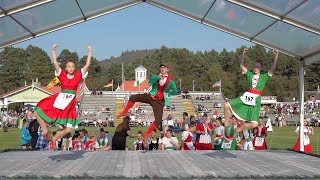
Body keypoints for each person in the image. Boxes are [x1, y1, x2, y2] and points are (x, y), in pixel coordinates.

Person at [33, 44, 91, 150]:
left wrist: (89, 52)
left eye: (72, 66)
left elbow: (87, 64)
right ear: (66, 67)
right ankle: (45, 130)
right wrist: (53, 50)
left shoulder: (78, 75)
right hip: (60, 100)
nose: (71, 68)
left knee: (69, 129)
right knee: (37, 111)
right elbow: (55, 62)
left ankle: (55, 138)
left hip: (70, 104)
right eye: (69, 66)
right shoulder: (62, 74)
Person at [117, 64, 179, 142]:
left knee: (158, 120)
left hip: (159, 101)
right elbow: (150, 83)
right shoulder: (156, 77)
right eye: (161, 67)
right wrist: (157, 77)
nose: (162, 69)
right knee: (133, 97)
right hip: (151, 96)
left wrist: (167, 93)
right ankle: (124, 111)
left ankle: (147, 133)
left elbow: (175, 91)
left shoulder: (170, 81)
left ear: (167, 70)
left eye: (164, 67)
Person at [223, 49, 278, 133]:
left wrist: (276, 56)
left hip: (256, 100)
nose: (255, 68)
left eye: (258, 67)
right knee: (226, 105)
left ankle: (237, 130)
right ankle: (226, 125)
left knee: (254, 124)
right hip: (246, 96)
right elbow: (241, 64)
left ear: (261, 68)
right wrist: (243, 53)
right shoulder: (249, 74)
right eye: (254, 66)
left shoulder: (264, 76)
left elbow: (272, 68)